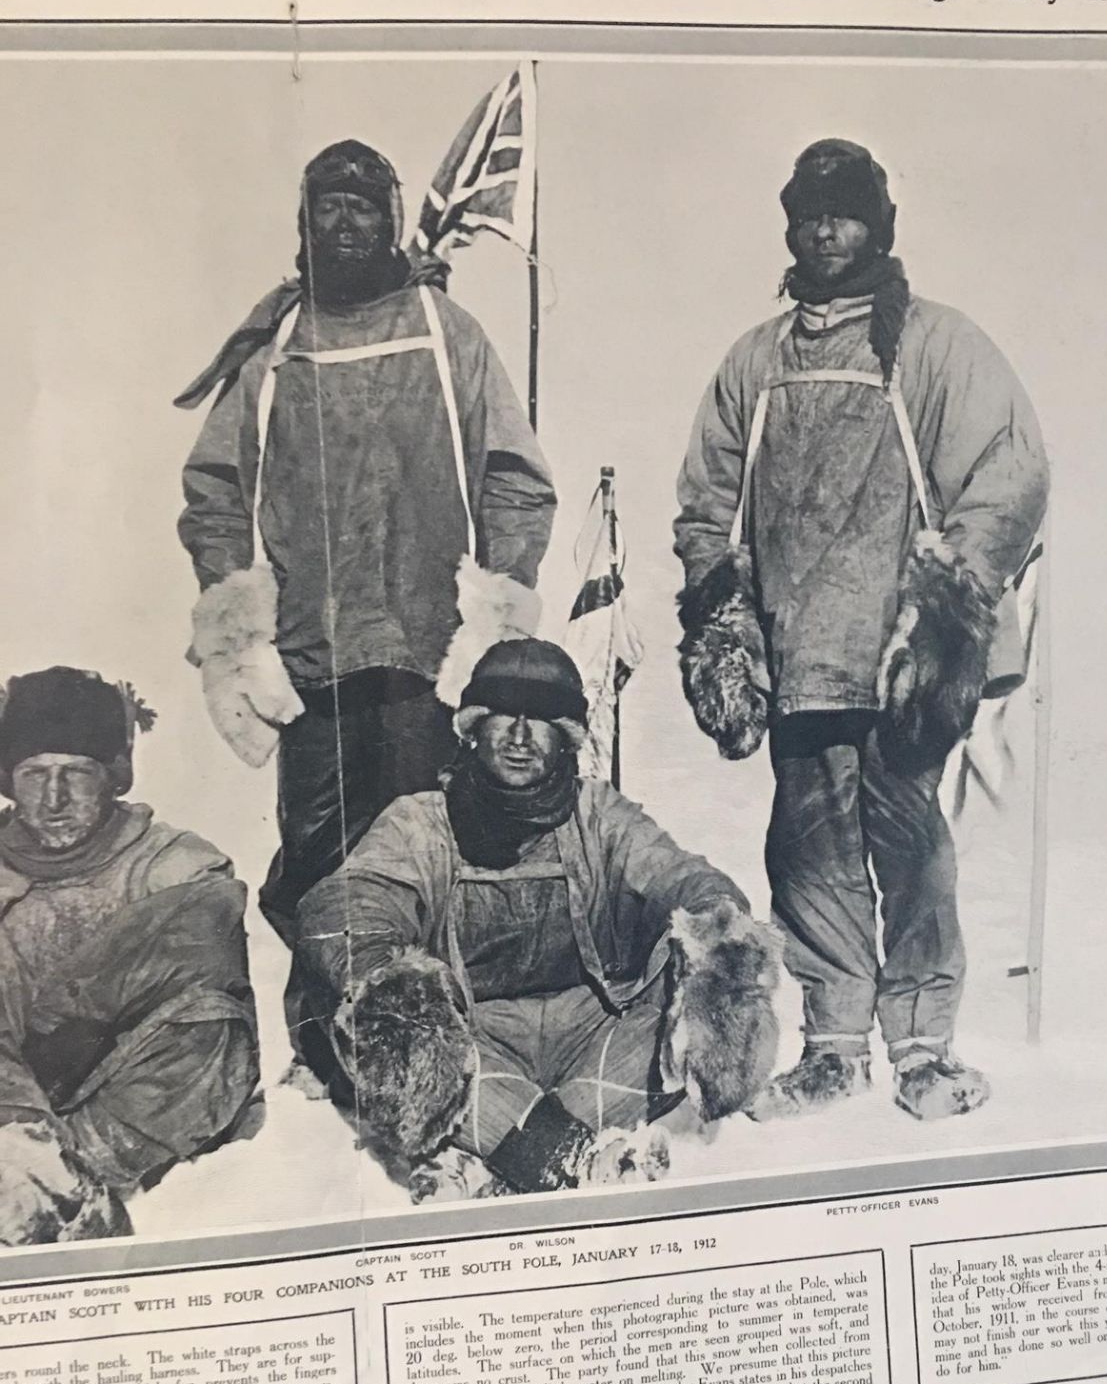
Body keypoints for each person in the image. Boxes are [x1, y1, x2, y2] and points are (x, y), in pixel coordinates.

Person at [674, 138, 1049, 1124]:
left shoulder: (936, 345)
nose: (824, 230)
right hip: (797, 654)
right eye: (808, 213)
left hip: (900, 659)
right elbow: (706, 503)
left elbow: (1010, 475)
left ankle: (923, 1046)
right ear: (789, 226)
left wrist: (948, 597)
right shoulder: (757, 361)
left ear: (879, 226)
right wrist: (719, 615)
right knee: (807, 846)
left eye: (843, 213)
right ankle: (835, 1043)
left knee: (907, 836)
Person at [176, 139, 556, 1070]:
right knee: (317, 855)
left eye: (362, 206)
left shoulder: (443, 329)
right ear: (304, 224)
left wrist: (494, 614)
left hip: (427, 651)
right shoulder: (277, 346)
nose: (345, 223)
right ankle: (324, 1042)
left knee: (430, 846)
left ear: (390, 219)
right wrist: (239, 620)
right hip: (313, 656)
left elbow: (514, 476)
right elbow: (215, 490)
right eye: (327, 207)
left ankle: (435, 1034)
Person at [296, 639, 781, 1199]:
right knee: (394, 1034)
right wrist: (387, 977)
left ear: (567, 738)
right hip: (473, 1043)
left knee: (679, 1006)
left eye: (543, 720)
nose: (521, 737)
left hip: (593, 1033)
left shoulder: (599, 813)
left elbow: (683, 876)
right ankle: (572, 1158)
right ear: (474, 728)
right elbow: (351, 900)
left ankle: (496, 1157)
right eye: (504, 715)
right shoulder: (420, 821)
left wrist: (719, 942)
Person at [0, 669, 260, 1243]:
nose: (55, 797)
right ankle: (29, 1167)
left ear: (113, 778)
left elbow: (205, 948)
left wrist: (80, 1013)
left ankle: (64, 1180)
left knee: (213, 1024)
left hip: (120, 1093)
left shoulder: (171, 862)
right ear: (8, 782)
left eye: (77, 773)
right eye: (35, 774)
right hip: (12, 1095)